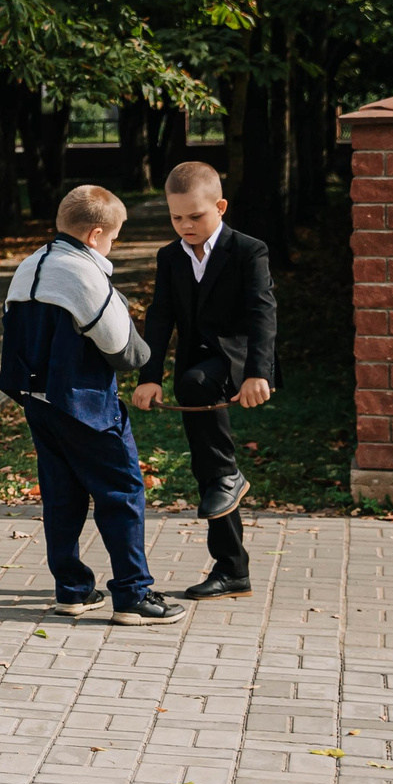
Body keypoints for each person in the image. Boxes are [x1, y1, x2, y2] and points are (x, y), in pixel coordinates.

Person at [0, 184, 185, 626]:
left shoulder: (27, 266)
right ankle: (133, 595)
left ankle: (73, 588)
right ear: (96, 234)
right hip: (85, 402)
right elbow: (124, 348)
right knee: (122, 491)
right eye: (115, 237)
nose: (114, 245)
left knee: (62, 495)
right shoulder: (83, 272)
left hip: (36, 399)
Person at [132, 161, 278, 600]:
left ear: (221, 206)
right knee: (209, 471)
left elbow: (262, 313)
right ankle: (232, 569)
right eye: (176, 217)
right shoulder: (169, 256)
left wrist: (258, 372)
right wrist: (149, 376)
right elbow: (159, 318)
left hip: (232, 360)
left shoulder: (248, 250)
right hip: (194, 366)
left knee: (195, 387)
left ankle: (228, 484)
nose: (185, 225)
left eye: (195, 216)